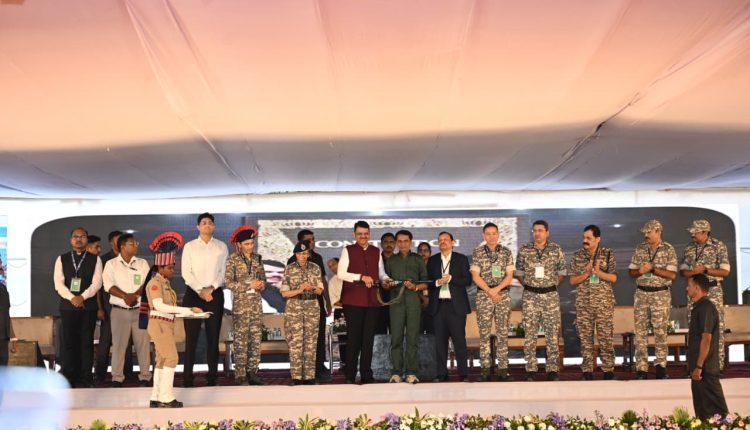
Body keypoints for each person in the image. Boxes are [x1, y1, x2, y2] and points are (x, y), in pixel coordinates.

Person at [144, 231, 202, 408]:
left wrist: (191, 313)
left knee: (162, 360)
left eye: (173, 266)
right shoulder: (155, 283)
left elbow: (169, 308)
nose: (172, 270)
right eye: (169, 267)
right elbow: (159, 306)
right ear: (160, 267)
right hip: (159, 324)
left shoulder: (165, 283)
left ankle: (156, 396)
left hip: (165, 324)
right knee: (171, 358)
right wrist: (187, 309)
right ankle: (166, 397)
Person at [181, 212, 229, 387]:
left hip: (214, 294)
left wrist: (211, 288)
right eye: (203, 222)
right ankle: (187, 377)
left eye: (210, 222)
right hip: (193, 294)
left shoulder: (221, 246)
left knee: (213, 337)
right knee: (191, 338)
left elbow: (223, 272)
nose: (207, 225)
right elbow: (186, 273)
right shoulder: (190, 246)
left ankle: (212, 377)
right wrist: (200, 290)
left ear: (214, 226)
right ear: (198, 227)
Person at [516, 220, 566, 381]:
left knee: (552, 334)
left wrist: (551, 284)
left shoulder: (556, 249)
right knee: (530, 334)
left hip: (550, 296)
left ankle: (552, 369)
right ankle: (531, 368)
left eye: (540, 230)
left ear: (547, 232)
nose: (537, 233)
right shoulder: (524, 249)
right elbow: (519, 273)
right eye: (534, 231)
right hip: (530, 296)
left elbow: (562, 272)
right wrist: (529, 286)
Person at [337, 220, 387, 384]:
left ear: (369, 234)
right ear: (354, 234)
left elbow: (380, 273)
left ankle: (366, 374)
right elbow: (341, 273)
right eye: (359, 234)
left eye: (365, 234)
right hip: (353, 301)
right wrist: (360, 277)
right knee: (354, 338)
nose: (363, 236)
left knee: (368, 339)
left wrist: (387, 279)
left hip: (372, 301)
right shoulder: (348, 250)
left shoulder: (376, 251)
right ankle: (350, 374)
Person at [53, 227, 103, 387]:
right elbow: (58, 283)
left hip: (88, 307)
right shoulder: (62, 259)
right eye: (76, 236)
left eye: (82, 237)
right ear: (71, 240)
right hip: (68, 307)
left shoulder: (96, 259)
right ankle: (69, 377)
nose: (79, 239)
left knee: (86, 343)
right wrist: (72, 298)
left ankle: (86, 377)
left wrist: (82, 297)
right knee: (69, 343)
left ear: (87, 239)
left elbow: (97, 283)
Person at [628, 219, 678, 380]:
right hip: (641, 294)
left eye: (649, 232)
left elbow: (672, 275)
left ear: (658, 232)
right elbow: (631, 272)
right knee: (640, 333)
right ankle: (641, 368)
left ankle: (660, 366)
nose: (646, 235)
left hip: (660, 295)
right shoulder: (640, 248)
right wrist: (640, 271)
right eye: (645, 232)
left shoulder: (668, 249)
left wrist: (653, 269)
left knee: (660, 332)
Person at [568, 225, 618, 380]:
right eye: (584, 237)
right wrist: (587, 273)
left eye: (589, 238)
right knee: (585, 339)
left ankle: (608, 370)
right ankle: (587, 371)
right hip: (584, 303)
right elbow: (572, 281)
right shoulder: (577, 255)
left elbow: (613, 278)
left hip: (603, 303)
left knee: (605, 337)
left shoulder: (607, 253)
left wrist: (599, 272)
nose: (585, 240)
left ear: (598, 239)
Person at [680, 219, 731, 370]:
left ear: (705, 232)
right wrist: (693, 272)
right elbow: (683, 271)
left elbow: (725, 271)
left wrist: (705, 270)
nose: (692, 234)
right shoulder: (689, 247)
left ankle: (717, 367)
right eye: (691, 232)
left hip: (713, 291)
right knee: (695, 328)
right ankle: (695, 365)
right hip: (695, 293)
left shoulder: (718, 245)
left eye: (695, 232)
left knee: (715, 329)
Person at [103, 233, 151, 387]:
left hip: (140, 310)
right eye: (132, 243)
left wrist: (134, 296)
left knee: (143, 344)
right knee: (118, 345)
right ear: (122, 246)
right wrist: (125, 296)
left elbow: (147, 283)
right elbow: (108, 285)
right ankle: (117, 378)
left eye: (136, 243)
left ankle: (145, 376)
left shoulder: (142, 263)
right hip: (119, 311)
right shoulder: (111, 264)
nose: (136, 246)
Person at [471, 222, 516, 382]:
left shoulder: (506, 252)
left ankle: (503, 370)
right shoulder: (478, 252)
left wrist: (496, 290)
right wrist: (489, 291)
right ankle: (485, 369)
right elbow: (475, 276)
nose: (491, 236)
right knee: (484, 334)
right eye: (488, 234)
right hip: (484, 295)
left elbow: (509, 276)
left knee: (502, 333)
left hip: (502, 295)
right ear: (484, 236)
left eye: (494, 233)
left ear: (498, 235)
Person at [383, 230, 428, 384]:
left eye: (406, 241)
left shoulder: (418, 259)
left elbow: (425, 282)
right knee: (395, 338)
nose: (402, 244)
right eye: (400, 241)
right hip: (396, 303)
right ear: (396, 243)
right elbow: (385, 284)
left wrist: (415, 287)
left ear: (411, 242)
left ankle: (411, 372)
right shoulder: (391, 260)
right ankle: (396, 372)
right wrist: (387, 284)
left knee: (412, 338)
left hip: (413, 302)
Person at [427, 231, 472, 382]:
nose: (443, 242)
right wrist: (436, 282)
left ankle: (463, 373)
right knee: (440, 342)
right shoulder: (432, 260)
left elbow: (467, 281)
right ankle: (442, 373)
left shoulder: (461, 259)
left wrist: (451, 278)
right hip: (438, 306)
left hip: (456, 307)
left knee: (459, 341)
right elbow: (428, 281)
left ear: (453, 242)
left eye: (446, 239)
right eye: (440, 240)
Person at [287, 229, 331, 383]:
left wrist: (328, 301)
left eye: (313, 239)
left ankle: (318, 367)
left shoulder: (317, 258)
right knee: (300, 340)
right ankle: (300, 373)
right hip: (298, 305)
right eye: (308, 240)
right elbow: (288, 287)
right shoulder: (292, 261)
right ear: (300, 242)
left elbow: (323, 281)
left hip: (316, 302)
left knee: (317, 336)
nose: (312, 242)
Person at [225, 226, 266, 385]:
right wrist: (249, 285)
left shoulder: (258, 259)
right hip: (241, 306)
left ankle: (253, 372)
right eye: (247, 244)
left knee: (255, 339)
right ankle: (240, 373)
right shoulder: (233, 259)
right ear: (240, 245)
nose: (250, 246)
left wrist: (261, 284)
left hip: (256, 304)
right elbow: (229, 283)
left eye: (252, 243)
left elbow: (263, 280)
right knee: (241, 340)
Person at [281, 240, 324, 385]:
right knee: (296, 342)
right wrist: (300, 289)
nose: (303, 256)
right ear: (295, 254)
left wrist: (311, 287)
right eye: (300, 253)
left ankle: (309, 376)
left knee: (311, 342)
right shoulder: (289, 269)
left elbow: (320, 290)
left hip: (312, 306)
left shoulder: (315, 268)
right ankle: (296, 376)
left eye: (305, 253)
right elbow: (284, 293)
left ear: (309, 254)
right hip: (295, 307)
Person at [687, 274, 728, 419]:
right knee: (703, 413)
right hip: (699, 369)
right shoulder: (699, 307)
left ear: (697, 288)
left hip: (706, 369)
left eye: (689, 286)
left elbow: (706, 339)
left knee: (718, 414)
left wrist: (699, 366)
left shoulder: (706, 307)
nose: (687, 288)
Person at [94, 230, 131, 383]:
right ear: (111, 242)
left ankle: (128, 374)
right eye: (117, 239)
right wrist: (100, 308)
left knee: (126, 343)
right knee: (105, 343)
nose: (120, 242)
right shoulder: (103, 260)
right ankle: (100, 375)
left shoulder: (130, 259)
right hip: (109, 309)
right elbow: (98, 287)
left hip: (127, 307)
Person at [327, 258, 347, 371]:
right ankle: (344, 363)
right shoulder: (332, 281)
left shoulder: (351, 276)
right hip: (340, 311)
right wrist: (349, 303)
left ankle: (357, 362)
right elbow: (334, 301)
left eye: (334, 264)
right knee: (342, 338)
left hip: (356, 311)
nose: (332, 267)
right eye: (330, 266)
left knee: (356, 337)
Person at [376, 232, 396, 335]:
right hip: (379, 301)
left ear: (395, 244)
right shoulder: (375, 259)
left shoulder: (400, 260)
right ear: (381, 244)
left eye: (391, 242)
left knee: (396, 333)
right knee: (379, 333)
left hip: (396, 301)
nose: (389, 244)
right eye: (386, 242)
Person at [0, 281, 18, 366]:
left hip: (3, 338)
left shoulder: (3, 289)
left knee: (4, 365)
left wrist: (13, 338)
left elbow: (7, 315)